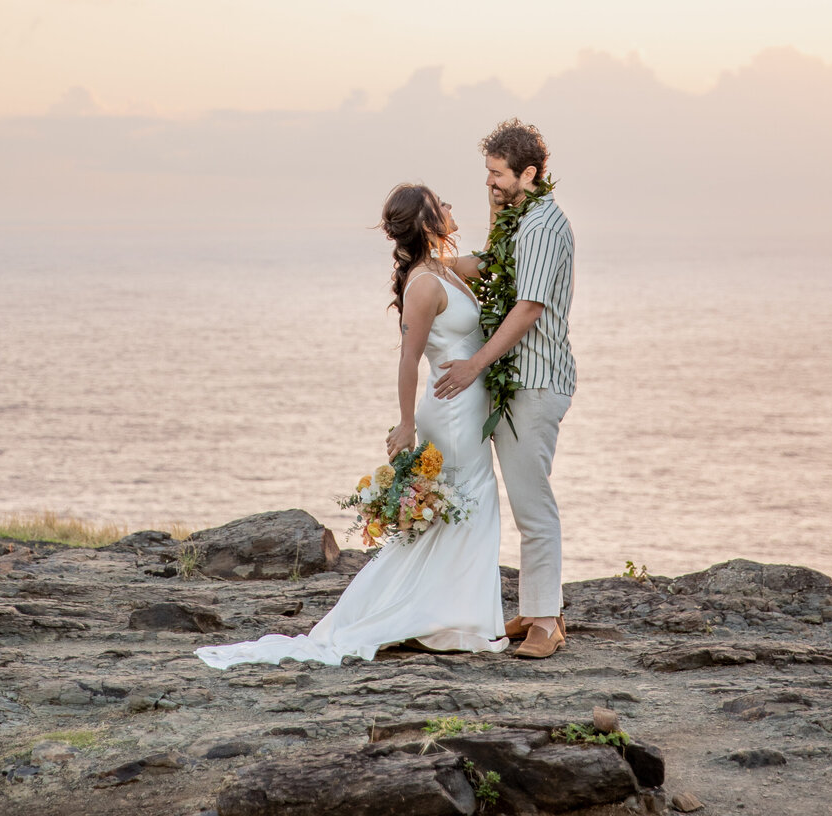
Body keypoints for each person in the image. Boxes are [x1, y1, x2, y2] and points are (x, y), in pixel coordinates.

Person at [194, 183, 508, 669]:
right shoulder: (423, 284)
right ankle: (450, 619)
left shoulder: (444, 268)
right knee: (473, 501)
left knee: (463, 507)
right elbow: (408, 359)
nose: (450, 206)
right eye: (441, 203)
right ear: (427, 220)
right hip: (450, 408)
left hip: (465, 404)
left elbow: (493, 259)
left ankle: (451, 617)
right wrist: (406, 424)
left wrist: (499, 202)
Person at [434, 118, 575, 659]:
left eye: (498, 174)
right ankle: (541, 609)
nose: (489, 182)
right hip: (515, 381)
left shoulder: (541, 226)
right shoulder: (518, 218)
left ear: (530, 174)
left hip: (534, 381)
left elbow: (528, 308)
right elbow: (489, 270)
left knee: (532, 503)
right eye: (487, 172)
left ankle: (546, 624)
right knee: (524, 499)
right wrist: (430, 267)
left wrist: (473, 365)